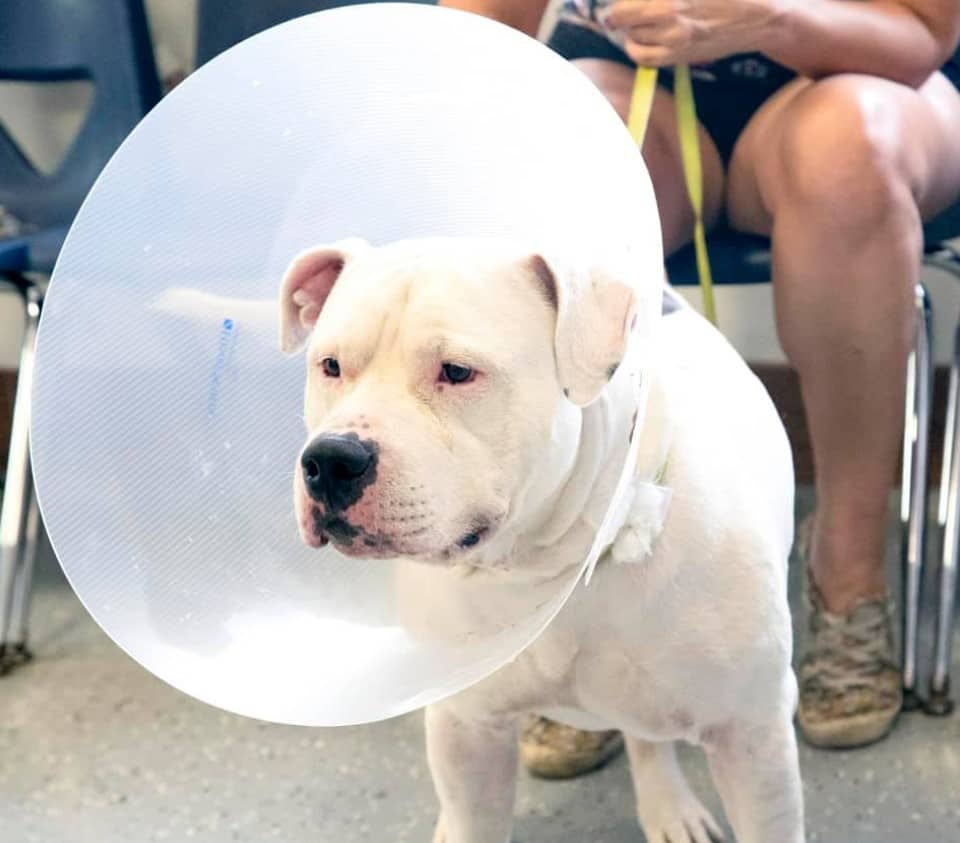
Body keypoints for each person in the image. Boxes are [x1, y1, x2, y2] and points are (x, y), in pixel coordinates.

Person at [439, 0, 960, 771]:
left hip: (857, 77)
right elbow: (470, 43)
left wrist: (769, 18)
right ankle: (577, 591)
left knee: (850, 146)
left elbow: (923, 30)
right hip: (630, 85)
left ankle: (848, 572)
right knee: (562, 154)